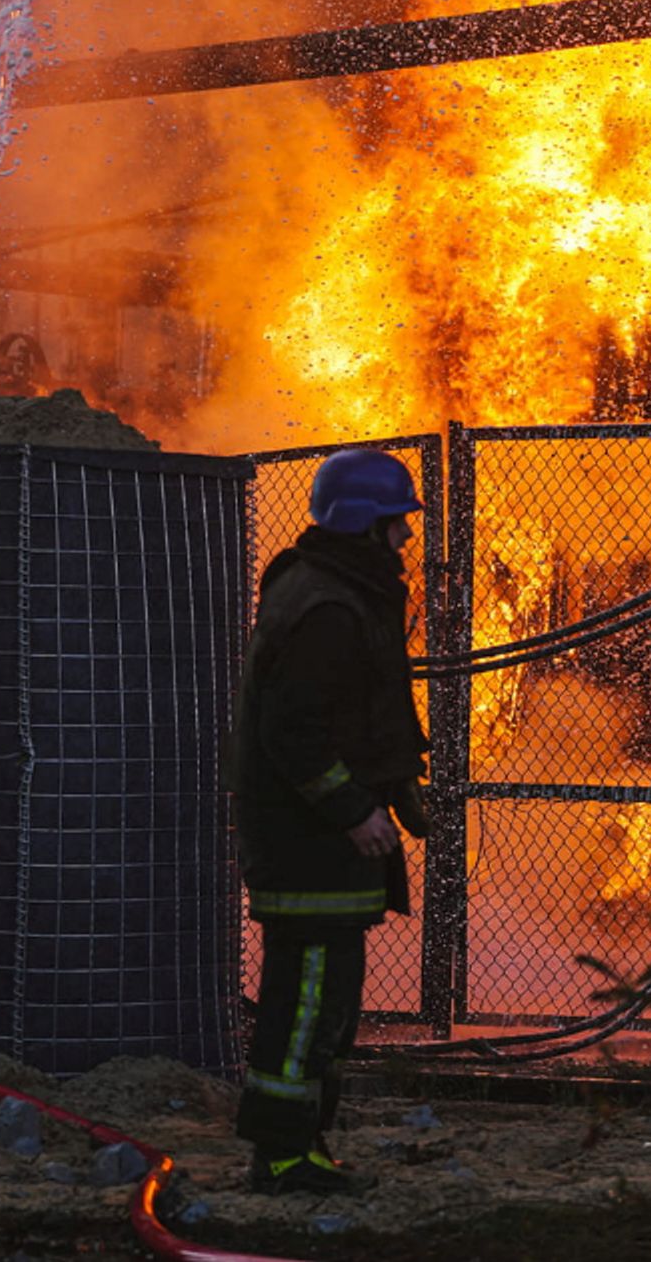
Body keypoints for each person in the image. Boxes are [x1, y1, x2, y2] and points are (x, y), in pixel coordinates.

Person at [229, 448, 431, 1194]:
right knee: (306, 1004)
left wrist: (400, 794)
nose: (405, 540)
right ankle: (282, 1156)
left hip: (318, 845)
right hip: (310, 846)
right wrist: (354, 812)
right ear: (365, 524)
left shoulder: (334, 592)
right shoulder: (329, 608)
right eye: (396, 524)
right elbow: (296, 732)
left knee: (324, 1007)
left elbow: (361, 715)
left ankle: (302, 1145)